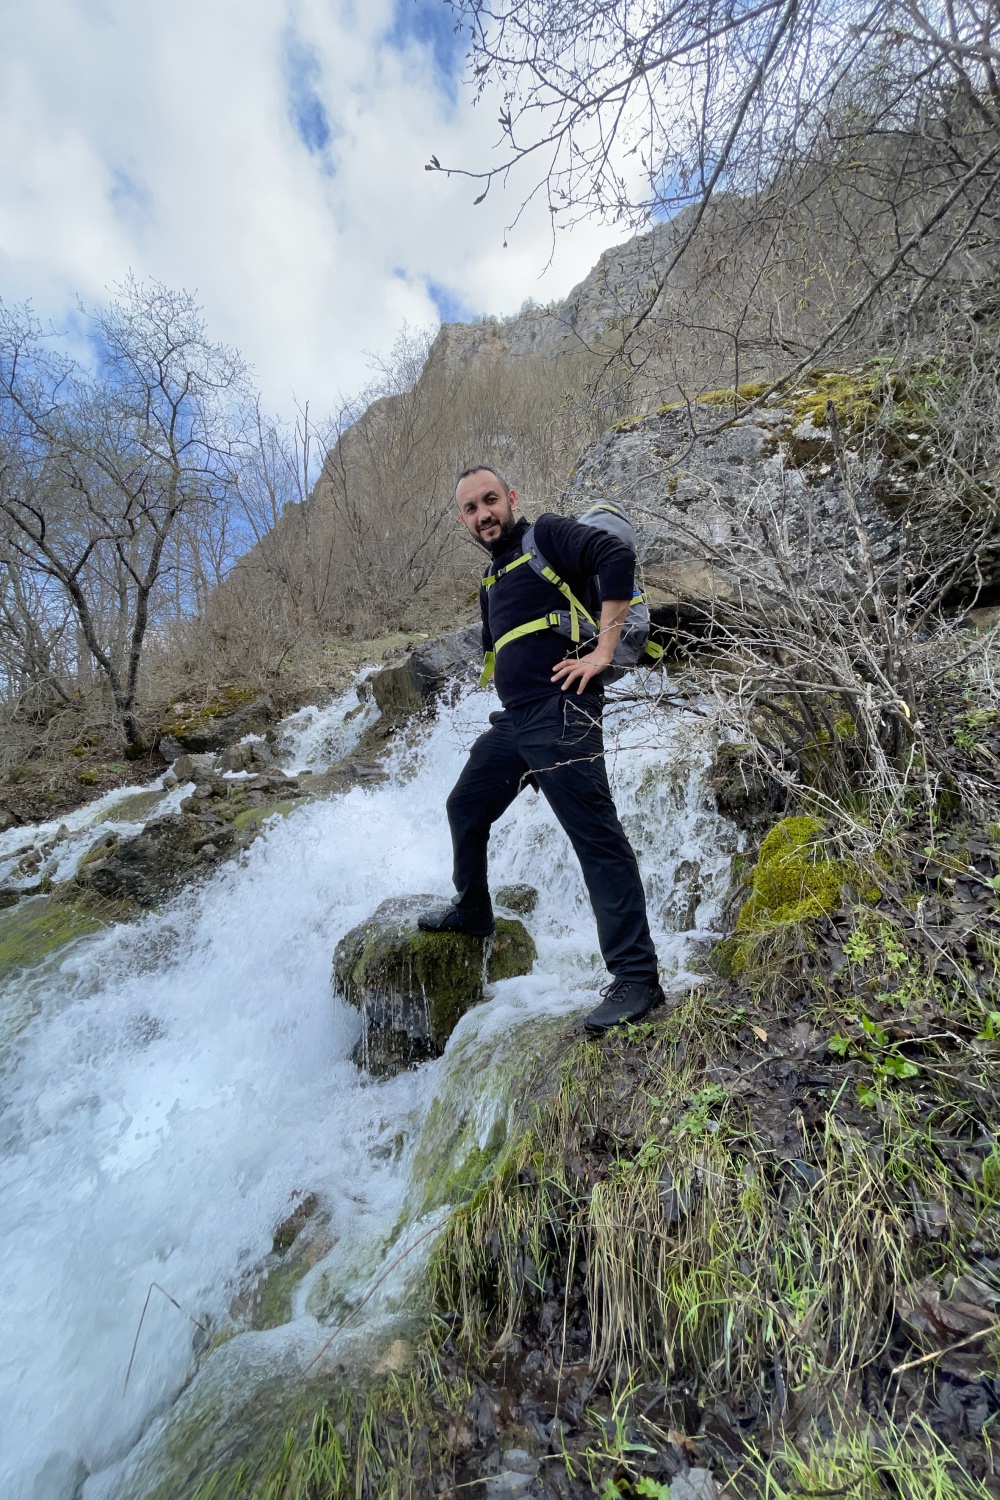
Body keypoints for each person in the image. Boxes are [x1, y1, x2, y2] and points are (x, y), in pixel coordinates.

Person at [418, 464, 665, 1034]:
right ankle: (475, 911)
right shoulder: (491, 581)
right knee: (465, 807)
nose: (483, 515)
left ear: (511, 497)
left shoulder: (547, 535)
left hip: (563, 711)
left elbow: (615, 559)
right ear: (463, 519)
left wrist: (602, 652)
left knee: (596, 839)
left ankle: (637, 979)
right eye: (471, 509)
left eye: (490, 501)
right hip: (517, 724)